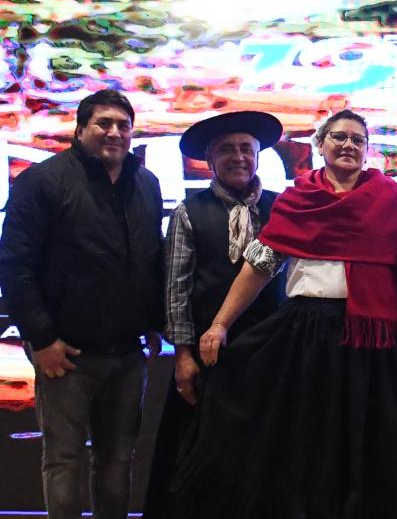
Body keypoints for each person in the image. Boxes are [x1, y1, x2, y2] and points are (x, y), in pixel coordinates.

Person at [169, 109, 397, 518]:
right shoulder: (296, 202)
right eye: (338, 137)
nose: (348, 145)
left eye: (357, 139)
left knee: (372, 439)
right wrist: (220, 324)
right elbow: (260, 265)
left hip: (375, 340)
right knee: (309, 442)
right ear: (319, 146)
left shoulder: (394, 203)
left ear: (367, 150)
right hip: (309, 334)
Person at [0, 89, 164, 519]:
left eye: (122, 125)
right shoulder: (42, 181)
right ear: (80, 129)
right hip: (65, 355)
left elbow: (149, 257)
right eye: (103, 123)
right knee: (63, 463)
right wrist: (42, 338)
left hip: (127, 356)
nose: (114, 132)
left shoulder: (146, 183)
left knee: (118, 464)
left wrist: (152, 321)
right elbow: (15, 265)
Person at [143, 111, 285, 518]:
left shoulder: (283, 208)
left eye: (246, 149)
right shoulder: (190, 211)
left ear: (259, 156)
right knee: (203, 456)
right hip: (210, 356)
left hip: (270, 353)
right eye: (227, 149)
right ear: (209, 157)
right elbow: (176, 288)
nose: (238, 157)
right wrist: (184, 354)